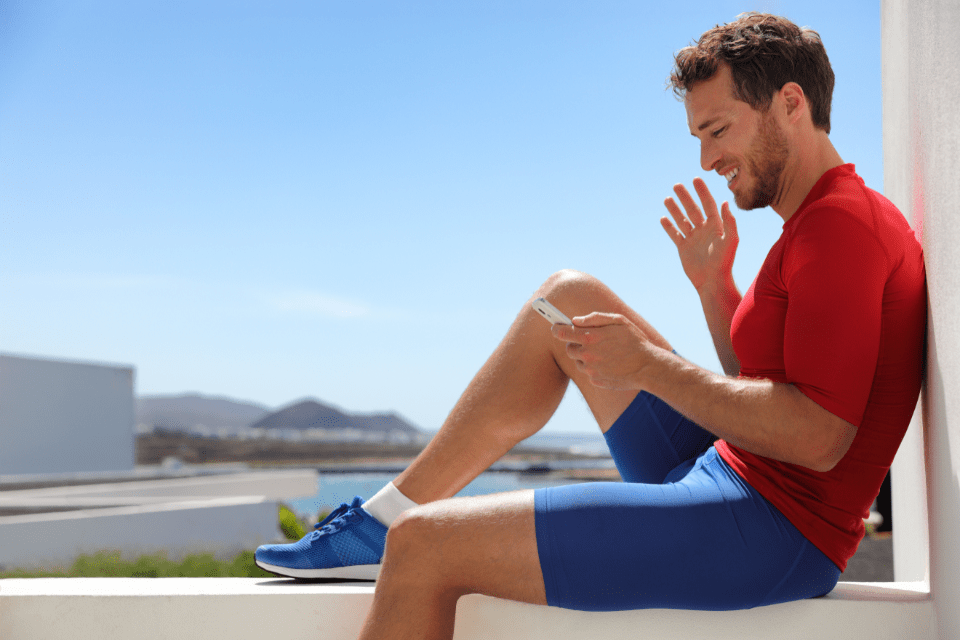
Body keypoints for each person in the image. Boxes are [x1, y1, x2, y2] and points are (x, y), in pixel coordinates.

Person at [255, 12, 926, 639]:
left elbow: (816, 436)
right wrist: (715, 287)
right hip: (726, 475)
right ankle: (384, 515)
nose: (706, 161)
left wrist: (649, 366)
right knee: (567, 299)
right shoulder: (807, 225)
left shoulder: (842, 228)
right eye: (698, 138)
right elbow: (760, 385)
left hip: (773, 530)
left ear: (789, 103)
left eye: (718, 131)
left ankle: (395, 531)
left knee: (425, 547)